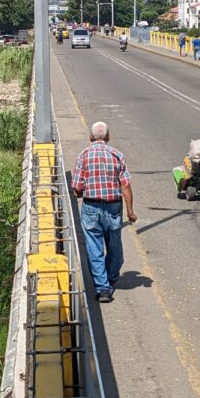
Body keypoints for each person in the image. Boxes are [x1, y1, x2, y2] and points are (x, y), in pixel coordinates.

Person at [71, 122, 137, 304]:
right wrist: (130, 211)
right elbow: (126, 186)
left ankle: (103, 289)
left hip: (91, 207)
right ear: (108, 137)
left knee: (94, 248)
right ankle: (111, 275)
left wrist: (80, 192)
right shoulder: (117, 155)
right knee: (114, 245)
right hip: (113, 206)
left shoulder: (83, 155)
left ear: (90, 138)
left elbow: (77, 186)